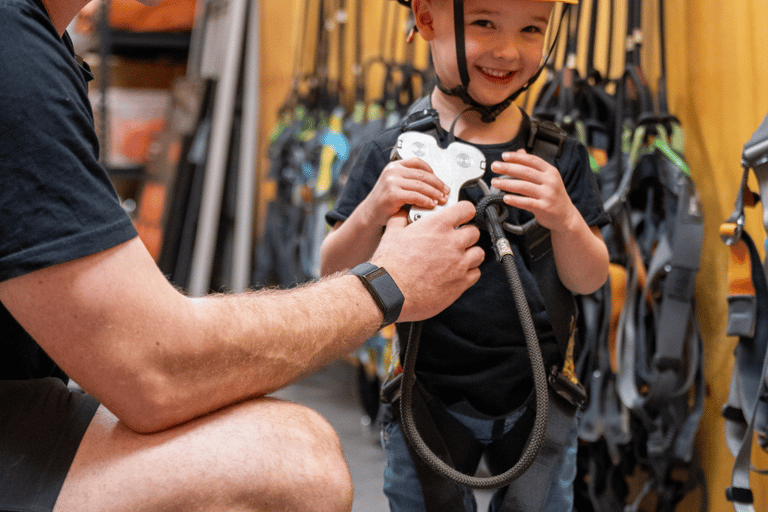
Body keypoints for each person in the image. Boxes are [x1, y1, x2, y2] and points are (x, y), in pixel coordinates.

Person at [0, 0, 486, 509]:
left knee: (296, 447)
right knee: (291, 471)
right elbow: (153, 369)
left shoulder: (45, 43)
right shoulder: (14, 51)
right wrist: (386, 283)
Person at [320, 0, 611, 509]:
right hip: (425, 396)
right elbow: (332, 276)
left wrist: (565, 217)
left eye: (531, 29)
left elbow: (587, 280)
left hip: (538, 398)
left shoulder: (559, 158)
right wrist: (372, 209)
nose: (508, 50)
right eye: (483, 23)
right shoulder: (394, 155)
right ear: (427, 20)